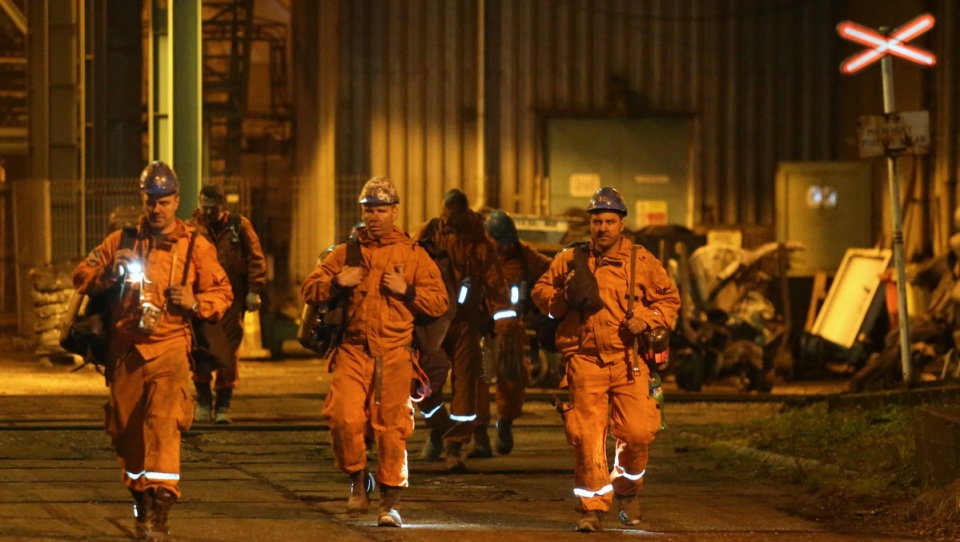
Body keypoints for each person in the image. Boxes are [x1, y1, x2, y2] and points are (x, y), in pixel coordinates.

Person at [71, 161, 233, 539]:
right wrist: (112, 271)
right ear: (142, 202)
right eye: (150, 202)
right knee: (127, 432)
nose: (157, 209)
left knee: (164, 422)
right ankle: (140, 501)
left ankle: (162, 509)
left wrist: (195, 302)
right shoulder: (120, 241)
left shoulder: (196, 245)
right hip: (125, 351)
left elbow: (223, 292)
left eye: (164, 201)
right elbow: (81, 276)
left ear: (177, 201)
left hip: (171, 346)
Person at [301, 176, 449, 527]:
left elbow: (440, 301)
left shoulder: (414, 256)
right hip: (352, 351)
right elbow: (309, 288)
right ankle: (357, 479)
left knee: (392, 428)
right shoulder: (345, 253)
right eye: (368, 210)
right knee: (343, 418)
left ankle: (390, 502)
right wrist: (338, 281)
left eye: (381, 210)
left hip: (395, 353)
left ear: (395, 212)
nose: (374, 217)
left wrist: (407, 290)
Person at [532, 186, 680, 532]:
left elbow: (670, 299)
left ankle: (627, 488)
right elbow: (540, 293)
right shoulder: (570, 259)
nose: (602, 228)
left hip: (629, 360)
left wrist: (647, 318)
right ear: (590, 224)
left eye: (609, 221)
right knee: (586, 436)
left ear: (621, 225)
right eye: (597, 221)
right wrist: (563, 295)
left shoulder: (641, 261)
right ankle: (592, 507)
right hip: (584, 360)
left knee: (639, 432)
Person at [415, 189, 522, 472]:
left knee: (466, 385)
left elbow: (496, 286)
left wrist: (505, 327)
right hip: (431, 322)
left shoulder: (479, 243)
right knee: (422, 383)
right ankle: (439, 428)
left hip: (464, 324)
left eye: (453, 216)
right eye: (445, 215)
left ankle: (455, 446)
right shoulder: (428, 233)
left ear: (464, 213)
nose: (448, 221)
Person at [467, 209, 551, 458]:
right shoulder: (475, 253)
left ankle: (505, 423)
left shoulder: (523, 254)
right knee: (476, 383)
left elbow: (552, 270)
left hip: (510, 327)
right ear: (487, 236)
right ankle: (479, 436)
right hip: (479, 326)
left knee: (514, 379)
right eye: (499, 243)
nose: (504, 248)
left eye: (507, 243)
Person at [189, 184, 268, 424]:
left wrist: (254, 291)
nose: (208, 212)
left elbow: (256, 258)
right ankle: (203, 399)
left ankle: (223, 402)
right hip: (200, 298)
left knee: (228, 352)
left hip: (232, 299)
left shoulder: (239, 225)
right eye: (205, 207)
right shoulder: (191, 227)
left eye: (213, 208)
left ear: (222, 207)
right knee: (199, 347)